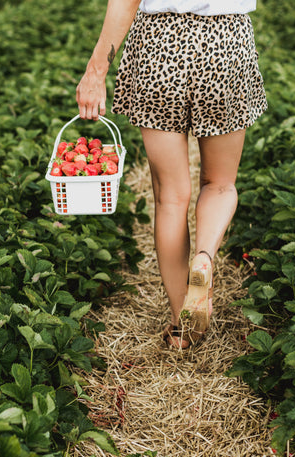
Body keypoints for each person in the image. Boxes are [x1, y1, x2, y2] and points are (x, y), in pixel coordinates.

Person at [76, 0, 267, 349]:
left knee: (171, 197)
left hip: (158, 43)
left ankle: (183, 328)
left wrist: (95, 71)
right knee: (220, 184)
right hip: (226, 41)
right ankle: (205, 258)